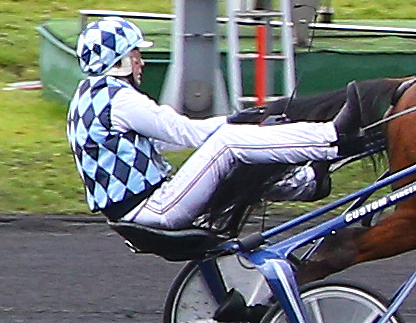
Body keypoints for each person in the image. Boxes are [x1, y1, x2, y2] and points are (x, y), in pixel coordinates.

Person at [63, 13, 338, 239]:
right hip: (153, 209)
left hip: (136, 210)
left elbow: (164, 142)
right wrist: (235, 121)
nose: (141, 62)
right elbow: (186, 133)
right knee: (228, 144)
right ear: (120, 60)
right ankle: (330, 138)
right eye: (136, 55)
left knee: (230, 170)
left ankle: (307, 183)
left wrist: (245, 124)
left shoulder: (87, 97)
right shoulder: (119, 99)